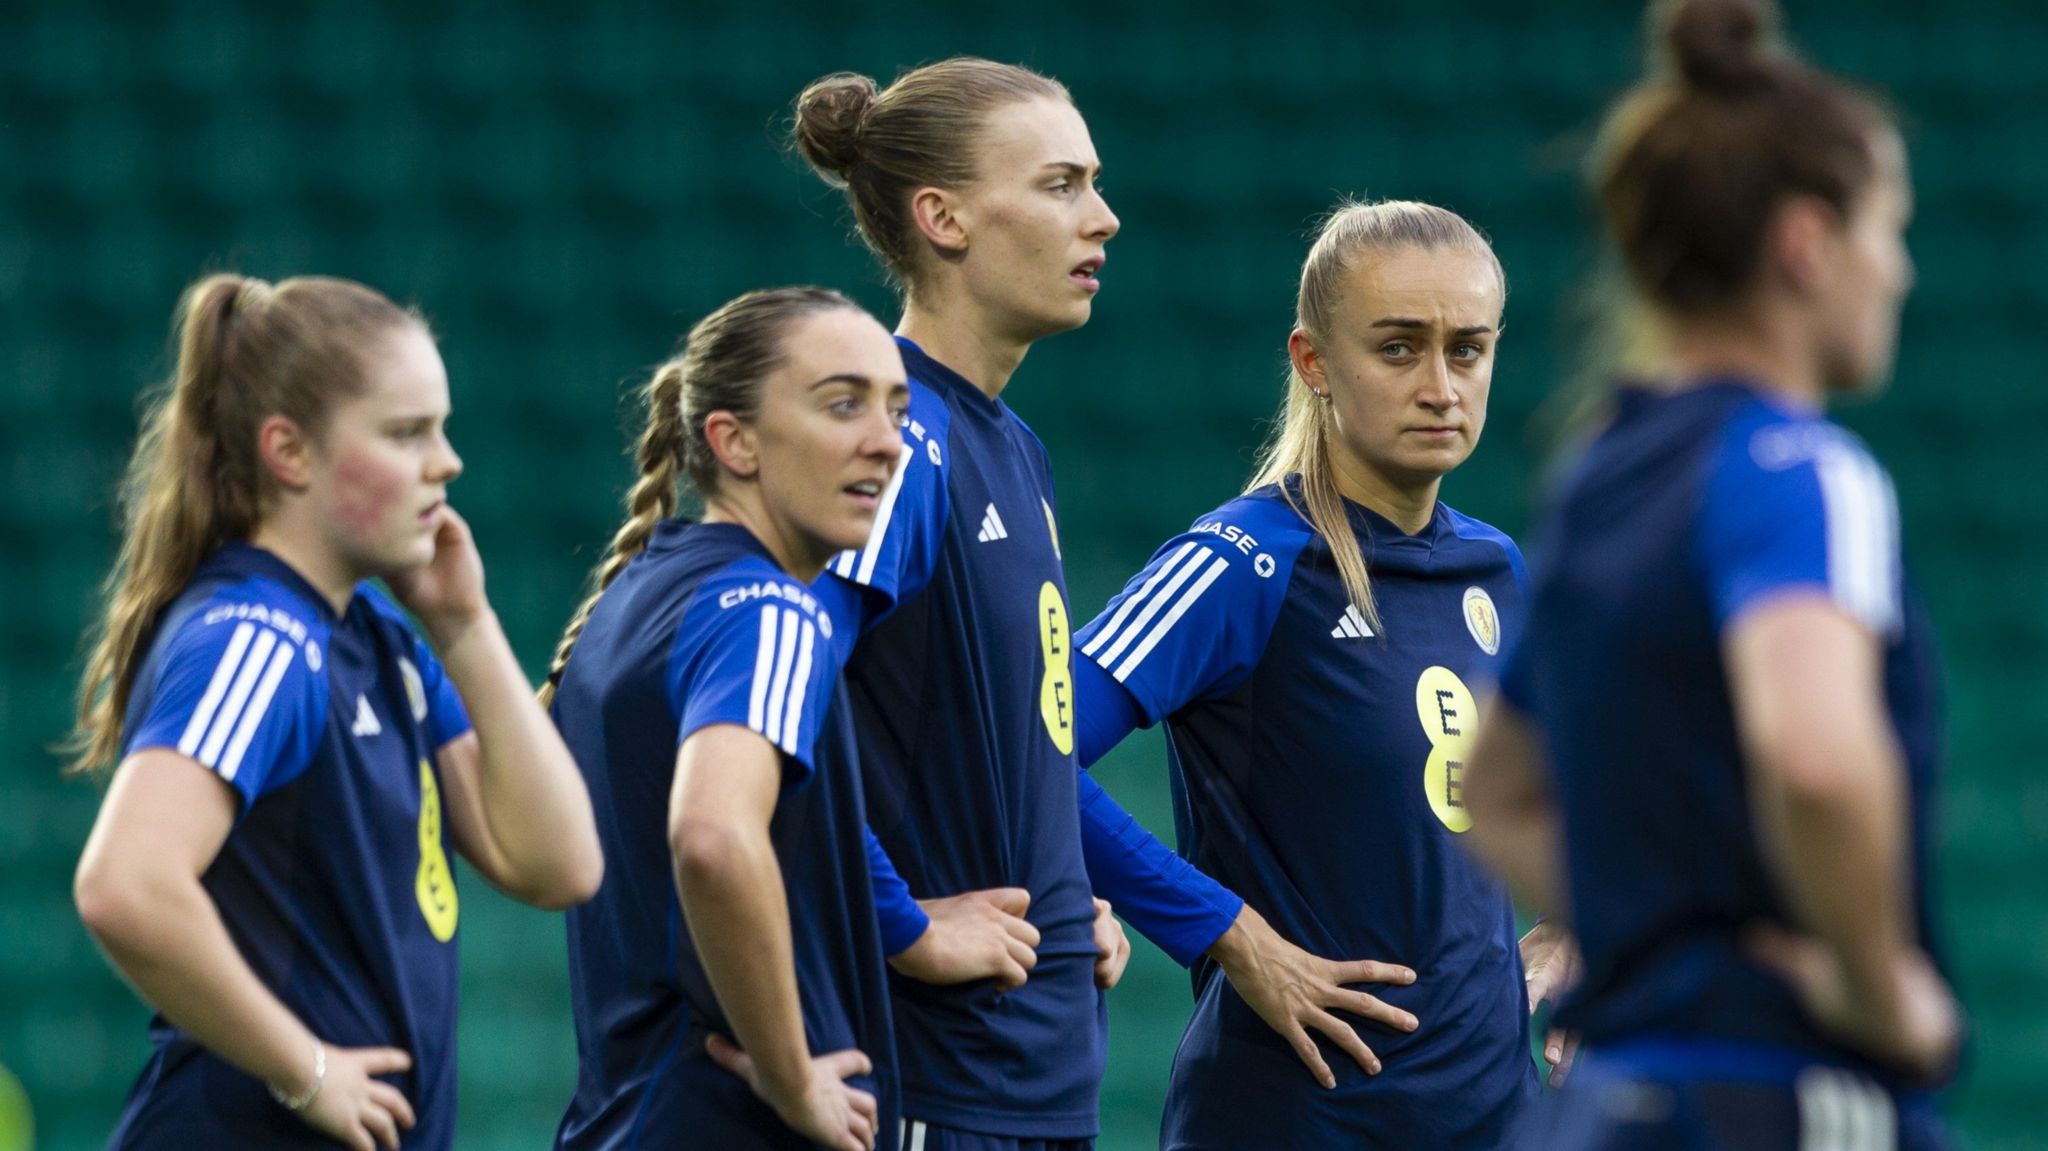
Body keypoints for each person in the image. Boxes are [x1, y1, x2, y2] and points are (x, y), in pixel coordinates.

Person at [1460, 1, 1963, 1147]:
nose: (1897, 269)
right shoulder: (1795, 469)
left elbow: (1494, 785)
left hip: (1608, 1106)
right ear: (1804, 244)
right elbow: (1815, 753)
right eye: (1887, 229)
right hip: (1782, 1098)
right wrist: (1870, 983)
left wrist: (1657, 940)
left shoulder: (1601, 472)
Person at [1072, 200, 1568, 1149]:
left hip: (1499, 1119)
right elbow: (1019, 748)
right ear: (1314, 362)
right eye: (1398, 348)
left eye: (1467, 350)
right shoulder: (1243, 561)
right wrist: (1228, 932)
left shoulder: (1496, 568)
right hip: (1295, 1119)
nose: (1440, 385)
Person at [68, 273, 604, 1151]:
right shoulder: (258, 635)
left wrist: (464, 623)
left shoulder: (377, 634)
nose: (446, 462)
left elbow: (558, 862)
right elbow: (125, 885)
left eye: (443, 428)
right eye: (405, 433)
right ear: (291, 453)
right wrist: (304, 1065)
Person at [785, 58, 1131, 1150]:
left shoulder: (1009, 445)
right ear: (942, 218)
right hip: (933, 1078)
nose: (1103, 218)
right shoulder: (898, 442)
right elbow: (776, 694)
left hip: (1031, 1073)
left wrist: (1073, 891)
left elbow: (1013, 743)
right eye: (1060, 185)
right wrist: (900, 923)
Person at [545, 287, 920, 1151]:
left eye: (895, 407)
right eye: (843, 403)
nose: (887, 441)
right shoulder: (772, 611)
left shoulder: (637, 591)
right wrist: (791, 1075)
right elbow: (712, 837)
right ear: (732, 440)